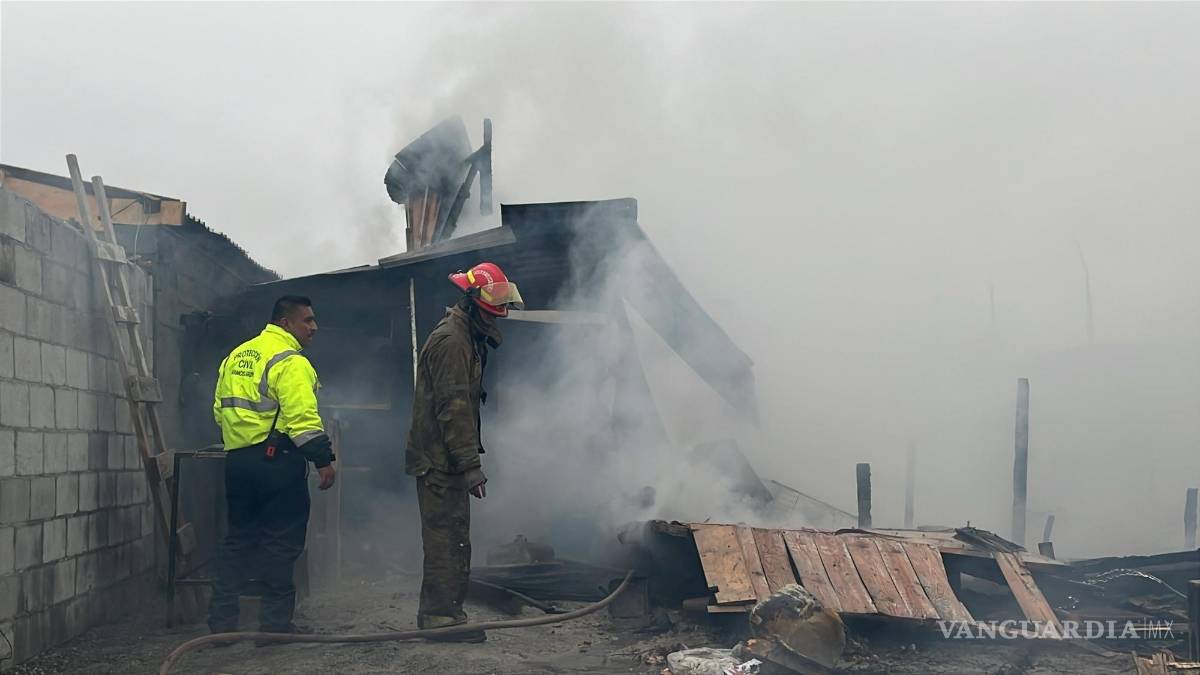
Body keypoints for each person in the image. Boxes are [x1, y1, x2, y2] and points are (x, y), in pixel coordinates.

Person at [406, 262, 523, 642]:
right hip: (440, 461)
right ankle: (440, 619)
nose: (497, 319)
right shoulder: (452, 341)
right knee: (446, 538)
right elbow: (453, 408)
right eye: (492, 310)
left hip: (446, 458)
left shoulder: (465, 335)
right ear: (471, 302)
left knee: (455, 535)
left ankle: (448, 614)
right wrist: (471, 466)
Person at [208, 295, 337, 635]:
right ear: (286, 323)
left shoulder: (236, 356)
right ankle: (274, 627)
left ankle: (221, 625)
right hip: (277, 461)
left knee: (238, 540)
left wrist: (240, 442)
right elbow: (302, 420)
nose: (314, 327)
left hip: (237, 461)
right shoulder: (290, 361)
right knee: (281, 543)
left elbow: (219, 411)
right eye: (307, 320)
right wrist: (323, 459)